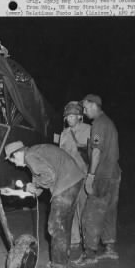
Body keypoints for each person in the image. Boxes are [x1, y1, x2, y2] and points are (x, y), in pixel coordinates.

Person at [4, 141, 84, 268]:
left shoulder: (30, 156)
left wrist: (33, 185)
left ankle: (59, 267)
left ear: (17, 153)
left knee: (55, 225)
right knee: (65, 224)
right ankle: (61, 260)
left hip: (65, 183)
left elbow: (49, 177)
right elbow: (42, 181)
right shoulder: (35, 152)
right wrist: (28, 189)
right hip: (75, 179)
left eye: (12, 160)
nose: (14, 164)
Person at [71, 94, 121, 267]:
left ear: (93, 105)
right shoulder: (109, 122)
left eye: (85, 108)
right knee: (108, 212)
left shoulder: (99, 124)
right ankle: (109, 248)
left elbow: (97, 152)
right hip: (114, 173)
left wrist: (91, 176)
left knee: (89, 215)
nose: (84, 112)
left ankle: (89, 253)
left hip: (102, 176)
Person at [59, 101, 91, 249]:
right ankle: (74, 239)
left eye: (72, 116)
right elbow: (61, 155)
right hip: (69, 176)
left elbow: (95, 153)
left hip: (84, 174)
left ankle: (87, 239)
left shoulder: (89, 130)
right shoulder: (64, 133)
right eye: (67, 116)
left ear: (79, 116)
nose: (69, 119)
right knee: (70, 207)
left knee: (84, 208)